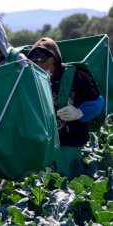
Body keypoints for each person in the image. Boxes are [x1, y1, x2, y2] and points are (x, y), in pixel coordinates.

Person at [27, 37, 104, 178]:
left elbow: (98, 102)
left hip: (71, 145)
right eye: (36, 66)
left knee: (70, 190)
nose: (40, 69)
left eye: (44, 64)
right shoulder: (31, 78)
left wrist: (80, 112)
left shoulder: (78, 75)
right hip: (44, 149)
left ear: (55, 61)